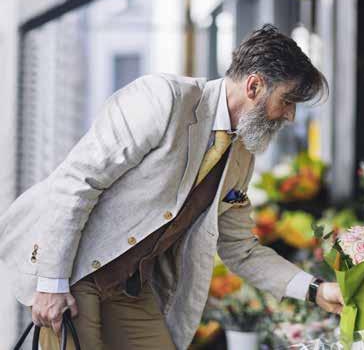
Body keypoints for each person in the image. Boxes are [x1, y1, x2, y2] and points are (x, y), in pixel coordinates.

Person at [0, 24, 344, 349]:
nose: (290, 116)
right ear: (254, 86)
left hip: (132, 285)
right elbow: (77, 181)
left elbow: (241, 248)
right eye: (287, 101)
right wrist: (50, 284)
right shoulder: (163, 99)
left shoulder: (241, 156)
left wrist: (315, 290)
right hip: (75, 270)